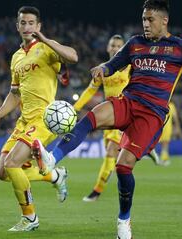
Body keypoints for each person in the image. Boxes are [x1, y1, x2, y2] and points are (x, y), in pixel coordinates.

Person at [31, 0, 182, 238]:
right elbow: (113, 65)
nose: (146, 24)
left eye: (150, 19)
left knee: (122, 167)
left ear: (164, 20)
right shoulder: (135, 44)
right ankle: (52, 158)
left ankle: (123, 220)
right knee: (90, 118)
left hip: (152, 113)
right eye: (143, 19)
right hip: (129, 101)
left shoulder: (180, 47)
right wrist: (102, 68)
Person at [0, 6, 78, 231]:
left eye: (31, 23)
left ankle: (30, 218)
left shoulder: (46, 48)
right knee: (2, 172)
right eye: (23, 23)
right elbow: (15, 93)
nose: (27, 27)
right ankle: (54, 176)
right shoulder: (16, 57)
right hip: (24, 121)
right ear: (17, 26)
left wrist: (46, 40)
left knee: (12, 163)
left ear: (38, 26)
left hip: (44, 118)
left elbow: (73, 56)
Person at [74, 35, 160, 202]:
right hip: (110, 114)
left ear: (123, 48)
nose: (115, 48)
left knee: (111, 152)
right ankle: (146, 148)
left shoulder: (129, 67)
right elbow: (90, 90)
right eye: (112, 45)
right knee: (114, 153)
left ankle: (96, 191)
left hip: (126, 112)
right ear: (107, 47)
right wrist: (75, 108)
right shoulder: (103, 69)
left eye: (119, 46)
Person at [157, 101, 182, 166]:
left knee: (161, 144)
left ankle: (163, 159)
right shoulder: (171, 105)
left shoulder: (160, 102)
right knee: (165, 144)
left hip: (159, 125)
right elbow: (175, 118)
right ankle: (163, 160)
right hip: (167, 127)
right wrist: (178, 127)